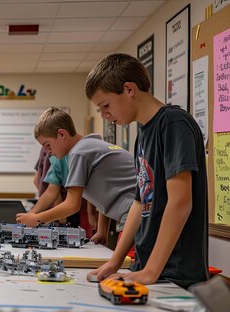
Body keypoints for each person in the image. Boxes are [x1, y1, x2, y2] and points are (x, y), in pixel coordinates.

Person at [85, 53, 208, 288]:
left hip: (174, 273)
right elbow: (140, 202)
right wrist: (115, 261)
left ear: (129, 89)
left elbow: (180, 202)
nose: (104, 115)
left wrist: (152, 270)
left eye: (106, 105)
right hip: (146, 268)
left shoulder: (173, 124)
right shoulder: (142, 134)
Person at [16, 107, 136, 245]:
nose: (48, 152)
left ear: (61, 134)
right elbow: (105, 195)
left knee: (130, 264)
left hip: (136, 214)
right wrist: (102, 230)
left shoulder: (79, 152)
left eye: (48, 145)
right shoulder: (89, 145)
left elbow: (72, 204)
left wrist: (37, 219)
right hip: (135, 212)